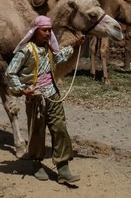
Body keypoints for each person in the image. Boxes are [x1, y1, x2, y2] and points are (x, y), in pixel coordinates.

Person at [6, 15, 85, 184]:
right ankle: (36, 163)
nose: (48, 33)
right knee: (37, 132)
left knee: (60, 128)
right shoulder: (25, 51)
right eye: (44, 30)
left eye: (49, 30)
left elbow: (59, 57)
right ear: (35, 31)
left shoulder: (50, 49)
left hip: (53, 96)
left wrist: (74, 46)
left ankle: (63, 169)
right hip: (36, 98)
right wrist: (22, 90)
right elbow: (10, 72)